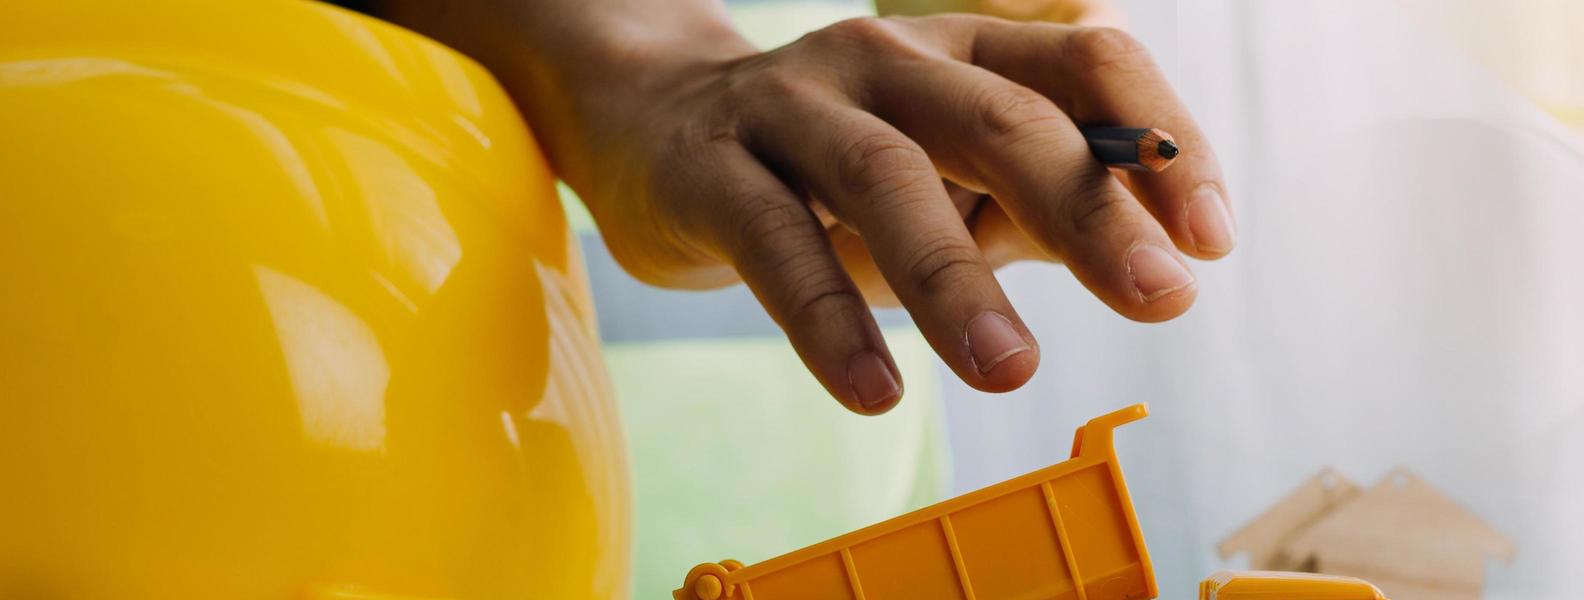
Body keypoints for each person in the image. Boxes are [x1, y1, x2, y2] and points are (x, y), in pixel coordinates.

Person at [357, 0, 1230, 415]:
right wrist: (653, 74)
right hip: (378, 455)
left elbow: (992, 45)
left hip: (833, 572)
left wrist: (965, 151)